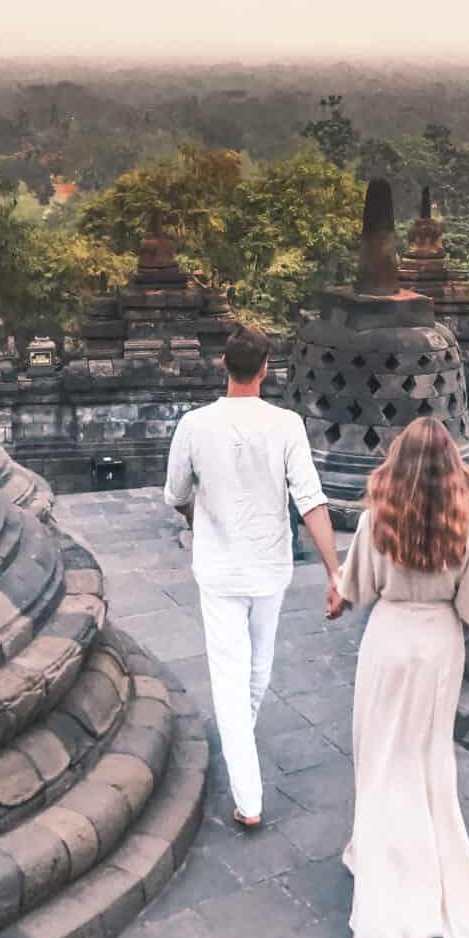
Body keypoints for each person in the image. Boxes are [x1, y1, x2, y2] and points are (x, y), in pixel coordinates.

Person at [326, 417, 469, 938]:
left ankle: (379, 858)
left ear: (397, 462)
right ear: (452, 468)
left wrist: (337, 599)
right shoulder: (468, 529)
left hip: (388, 641)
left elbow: (353, 590)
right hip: (437, 647)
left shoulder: (375, 522)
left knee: (378, 754)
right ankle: (415, 867)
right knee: (424, 758)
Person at [164, 324, 341, 828]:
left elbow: (175, 493)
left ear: (224, 365)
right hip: (268, 566)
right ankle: (248, 787)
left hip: (223, 565)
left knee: (235, 675)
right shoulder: (285, 425)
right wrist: (335, 570)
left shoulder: (195, 425)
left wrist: (199, 518)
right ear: (266, 370)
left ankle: (243, 767)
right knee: (255, 668)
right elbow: (311, 501)